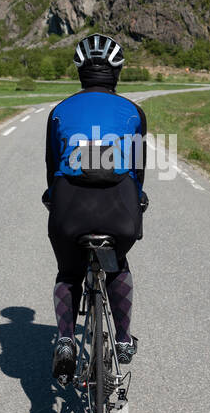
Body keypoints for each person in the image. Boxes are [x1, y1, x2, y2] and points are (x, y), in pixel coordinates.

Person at [42, 33, 149, 382]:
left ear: (79, 72)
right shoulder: (133, 112)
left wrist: (51, 195)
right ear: (116, 71)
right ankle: (121, 341)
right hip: (119, 210)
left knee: (69, 272)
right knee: (117, 267)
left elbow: (52, 166)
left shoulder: (59, 111)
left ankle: (65, 341)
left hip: (69, 209)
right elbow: (137, 170)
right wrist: (140, 197)